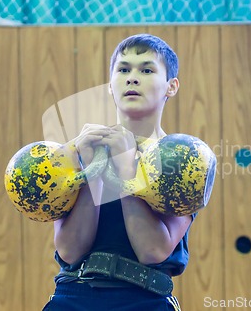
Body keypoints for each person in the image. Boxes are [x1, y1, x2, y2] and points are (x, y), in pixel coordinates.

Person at [42, 34, 196, 311]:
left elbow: (152, 251)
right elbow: (70, 250)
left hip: (144, 300)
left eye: (146, 70)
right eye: (123, 69)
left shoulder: (183, 159)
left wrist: (127, 170)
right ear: (110, 86)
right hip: (72, 297)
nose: (132, 78)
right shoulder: (78, 152)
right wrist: (93, 171)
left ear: (171, 87)